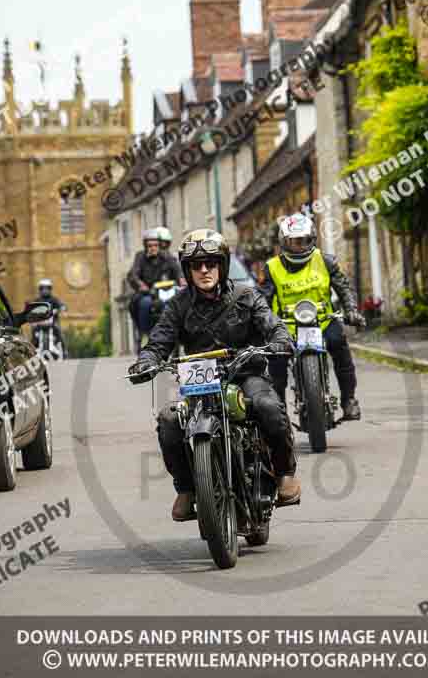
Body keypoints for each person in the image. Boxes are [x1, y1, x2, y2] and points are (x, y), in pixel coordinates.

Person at [129, 228, 299, 521]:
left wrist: (280, 340)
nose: (204, 270)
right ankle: (186, 489)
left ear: (222, 264)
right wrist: (147, 360)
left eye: (211, 263)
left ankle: (284, 473)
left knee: (268, 406)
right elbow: (159, 341)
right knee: (169, 420)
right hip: (201, 382)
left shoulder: (247, 296)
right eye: (197, 265)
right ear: (188, 270)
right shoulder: (178, 305)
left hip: (246, 374)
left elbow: (272, 324)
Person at [260, 213, 365, 421]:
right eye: (294, 242)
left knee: (340, 346)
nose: (299, 247)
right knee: (276, 361)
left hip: (323, 321)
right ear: (283, 242)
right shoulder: (272, 267)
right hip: (287, 326)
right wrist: (264, 322)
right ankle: (278, 413)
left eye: (304, 241)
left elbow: (344, 288)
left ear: (312, 239)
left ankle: (349, 400)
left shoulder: (326, 260)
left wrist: (351, 310)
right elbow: (263, 299)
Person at [127, 227, 183, 342]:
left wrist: (182, 281)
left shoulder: (168, 258)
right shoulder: (140, 257)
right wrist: (140, 284)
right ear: (145, 246)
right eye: (150, 246)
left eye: (156, 245)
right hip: (149, 293)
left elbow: (178, 272)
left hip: (166, 292)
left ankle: (182, 333)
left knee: (180, 303)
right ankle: (144, 333)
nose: (153, 248)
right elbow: (134, 274)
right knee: (145, 303)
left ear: (160, 245)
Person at [33, 278, 66, 354]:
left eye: (47, 288)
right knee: (33, 332)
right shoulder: (37, 300)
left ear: (50, 289)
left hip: (53, 322)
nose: (45, 290)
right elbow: (32, 308)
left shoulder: (54, 299)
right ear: (40, 289)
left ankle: (64, 351)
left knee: (59, 333)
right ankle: (32, 351)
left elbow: (61, 305)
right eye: (43, 288)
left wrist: (62, 308)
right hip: (40, 322)